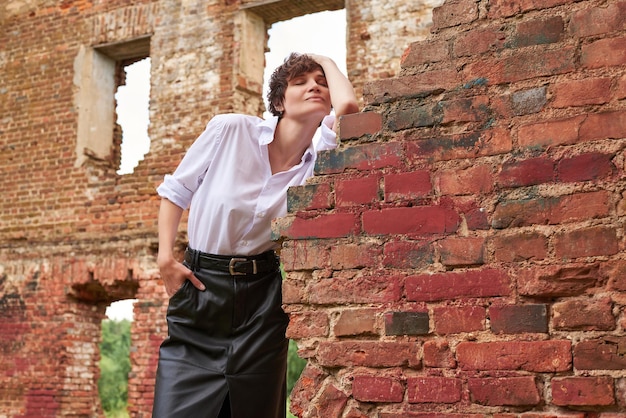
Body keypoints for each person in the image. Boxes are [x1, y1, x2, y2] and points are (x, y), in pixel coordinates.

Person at [152, 53, 358, 418]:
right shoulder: (231, 130)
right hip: (202, 294)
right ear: (279, 101)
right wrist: (165, 257)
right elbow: (176, 190)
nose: (314, 85)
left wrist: (325, 60)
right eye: (300, 82)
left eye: (321, 82)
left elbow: (350, 107)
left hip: (262, 303)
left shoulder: (318, 161)